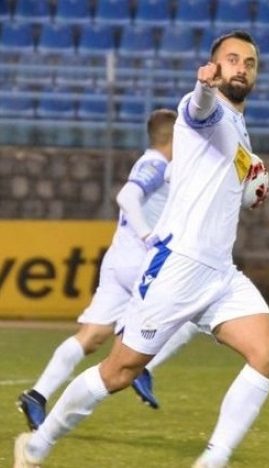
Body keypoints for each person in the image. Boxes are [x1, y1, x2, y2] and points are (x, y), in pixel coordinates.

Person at [14, 30, 269, 468]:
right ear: (215, 65)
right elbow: (200, 108)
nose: (241, 68)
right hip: (177, 267)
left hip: (219, 273)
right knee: (119, 372)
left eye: (249, 63)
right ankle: (37, 446)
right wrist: (203, 86)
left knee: (267, 355)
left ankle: (211, 462)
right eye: (232, 59)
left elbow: (226, 185)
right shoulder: (202, 108)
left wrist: (251, 188)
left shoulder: (240, 131)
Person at [16, 109, 202, 431]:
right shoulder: (156, 165)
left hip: (118, 261)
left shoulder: (156, 164)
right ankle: (144, 368)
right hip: (142, 264)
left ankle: (36, 395)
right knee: (191, 316)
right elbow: (127, 196)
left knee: (91, 337)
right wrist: (147, 235)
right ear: (174, 137)